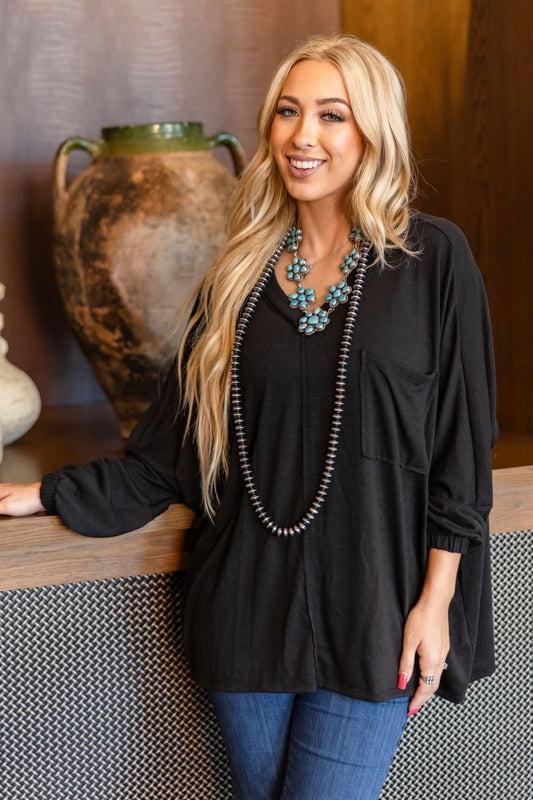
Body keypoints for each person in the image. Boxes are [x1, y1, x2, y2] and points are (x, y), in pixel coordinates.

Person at [0, 33, 497, 800]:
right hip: (247, 610)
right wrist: (47, 494)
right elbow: (167, 454)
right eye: (288, 113)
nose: (304, 136)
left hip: (376, 611)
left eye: (332, 115)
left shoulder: (431, 261)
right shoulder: (236, 275)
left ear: (373, 130)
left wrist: (436, 602)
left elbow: (461, 452)